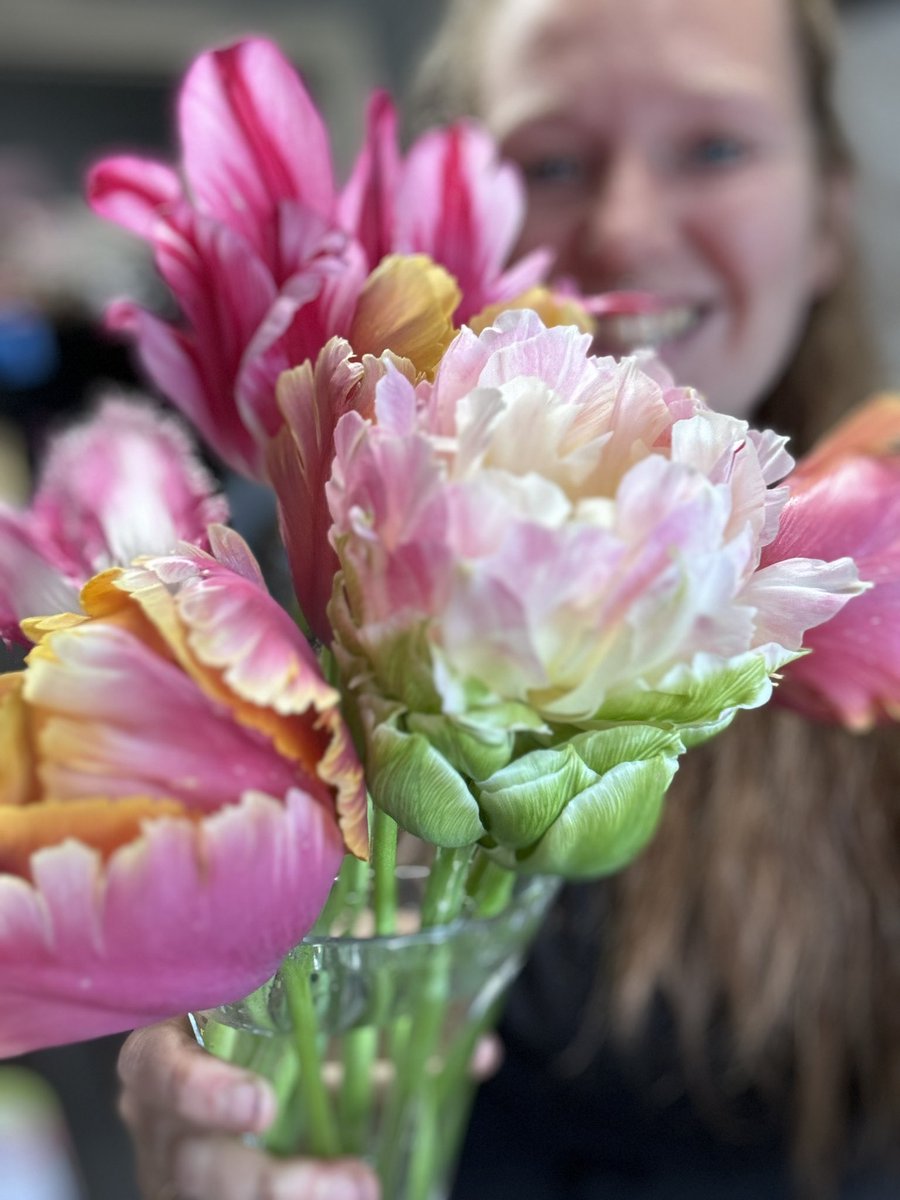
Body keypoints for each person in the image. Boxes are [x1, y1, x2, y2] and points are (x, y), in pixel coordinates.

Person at [116, 0, 900, 1196]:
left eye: (716, 147)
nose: (627, 230)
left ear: (830, 218)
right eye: (551, 161)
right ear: (448, 215)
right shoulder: (267, 602)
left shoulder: (870, 572)